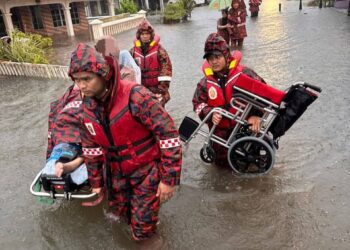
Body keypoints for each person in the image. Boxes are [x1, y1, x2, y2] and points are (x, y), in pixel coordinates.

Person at [68, 43, 182, 241]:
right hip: (116, 174)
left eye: (87, 79)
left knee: (142, 233)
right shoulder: (85, 109)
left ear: (103, 75)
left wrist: (169, 180)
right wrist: (96, 183)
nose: (81, 86)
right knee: (118, 218)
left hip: (146, 171)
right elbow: (91, 149)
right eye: (77, 80)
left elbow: (168, 135)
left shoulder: (136, 96)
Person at [192, 33, 266, 168]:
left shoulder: (246, 75)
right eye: (210, 58)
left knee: (253, 168)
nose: (214, 61)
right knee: (221, 173)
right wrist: (210, 112)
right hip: (219, 137)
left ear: (226, 55)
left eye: (217, 57)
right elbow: (197, 104)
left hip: (246, 131)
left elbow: (265, 96)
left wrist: (256, 115)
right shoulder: (204, 84)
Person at [43, 84, 87, 185]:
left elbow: (51, 127)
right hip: (78, 133)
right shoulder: (93, 96)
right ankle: (79, 160)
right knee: (92, 153)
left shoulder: (66, 97)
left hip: (60, 132)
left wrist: (48, 155)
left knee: (57, 153)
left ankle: (59, 163)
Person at [130, 19, 172, 107]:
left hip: (157, 91)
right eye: (142, 34)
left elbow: (166, 72)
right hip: (140, 92)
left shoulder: (160, 50)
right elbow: (127, 71)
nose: (145, 36)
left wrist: (160, 91)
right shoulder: (132, 52)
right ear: (139, 36)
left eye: (147, 34)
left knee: (159, 117)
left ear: (151, 35)